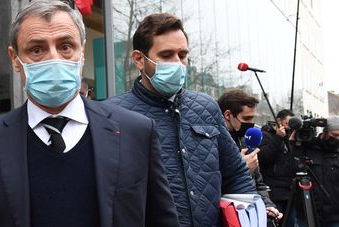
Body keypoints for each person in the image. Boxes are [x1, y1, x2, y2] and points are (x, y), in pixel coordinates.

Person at [0, 0, 178, 227]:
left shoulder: (136, 132)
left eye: (65, 46)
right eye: (37, 50)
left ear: (81, 52)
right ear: (15, 59)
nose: (54, 59)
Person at [106, 13, 255, 227]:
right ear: (139, 59)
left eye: (182, 55)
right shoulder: (112, 114)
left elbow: (236, 173)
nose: (177, 63)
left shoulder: (206, 106)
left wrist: (247, 215)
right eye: (166, 55)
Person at [217, 89, 283, 223]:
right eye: (246, 118)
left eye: (253, 118)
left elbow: (259, 184)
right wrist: (241, 169)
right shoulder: (212, 143)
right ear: (228, 115)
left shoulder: (245, 142)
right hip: (226, 216)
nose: (251, 123)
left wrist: (267, 205)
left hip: (250, 217)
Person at [292, 116, 339, 227]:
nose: (337, 139)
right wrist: (295, 145)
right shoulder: (308, 148)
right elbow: (291, 169)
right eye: (334, 136)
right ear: (325, 132)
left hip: (335, 216)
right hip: (307, 213)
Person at [259, 109, 296, 226]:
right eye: (287, 124)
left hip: (290, 192)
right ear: (278, 121)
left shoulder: (289, 138)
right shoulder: (265, 135)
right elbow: (264, 157)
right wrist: (278, 137)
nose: (289, 128)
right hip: (274, 192)